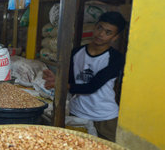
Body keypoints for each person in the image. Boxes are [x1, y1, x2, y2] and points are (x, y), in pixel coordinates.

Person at [43, 11, 127, 142]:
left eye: (108, 32)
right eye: (100, 28)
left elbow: (92, 86)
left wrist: (63, 84)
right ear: (95, 27)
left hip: (105, 118)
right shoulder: (76, 53)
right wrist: (58, 80)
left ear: (115, 37)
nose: (101, 34)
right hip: (78, 113)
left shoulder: (116, 58)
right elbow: (71, 82)